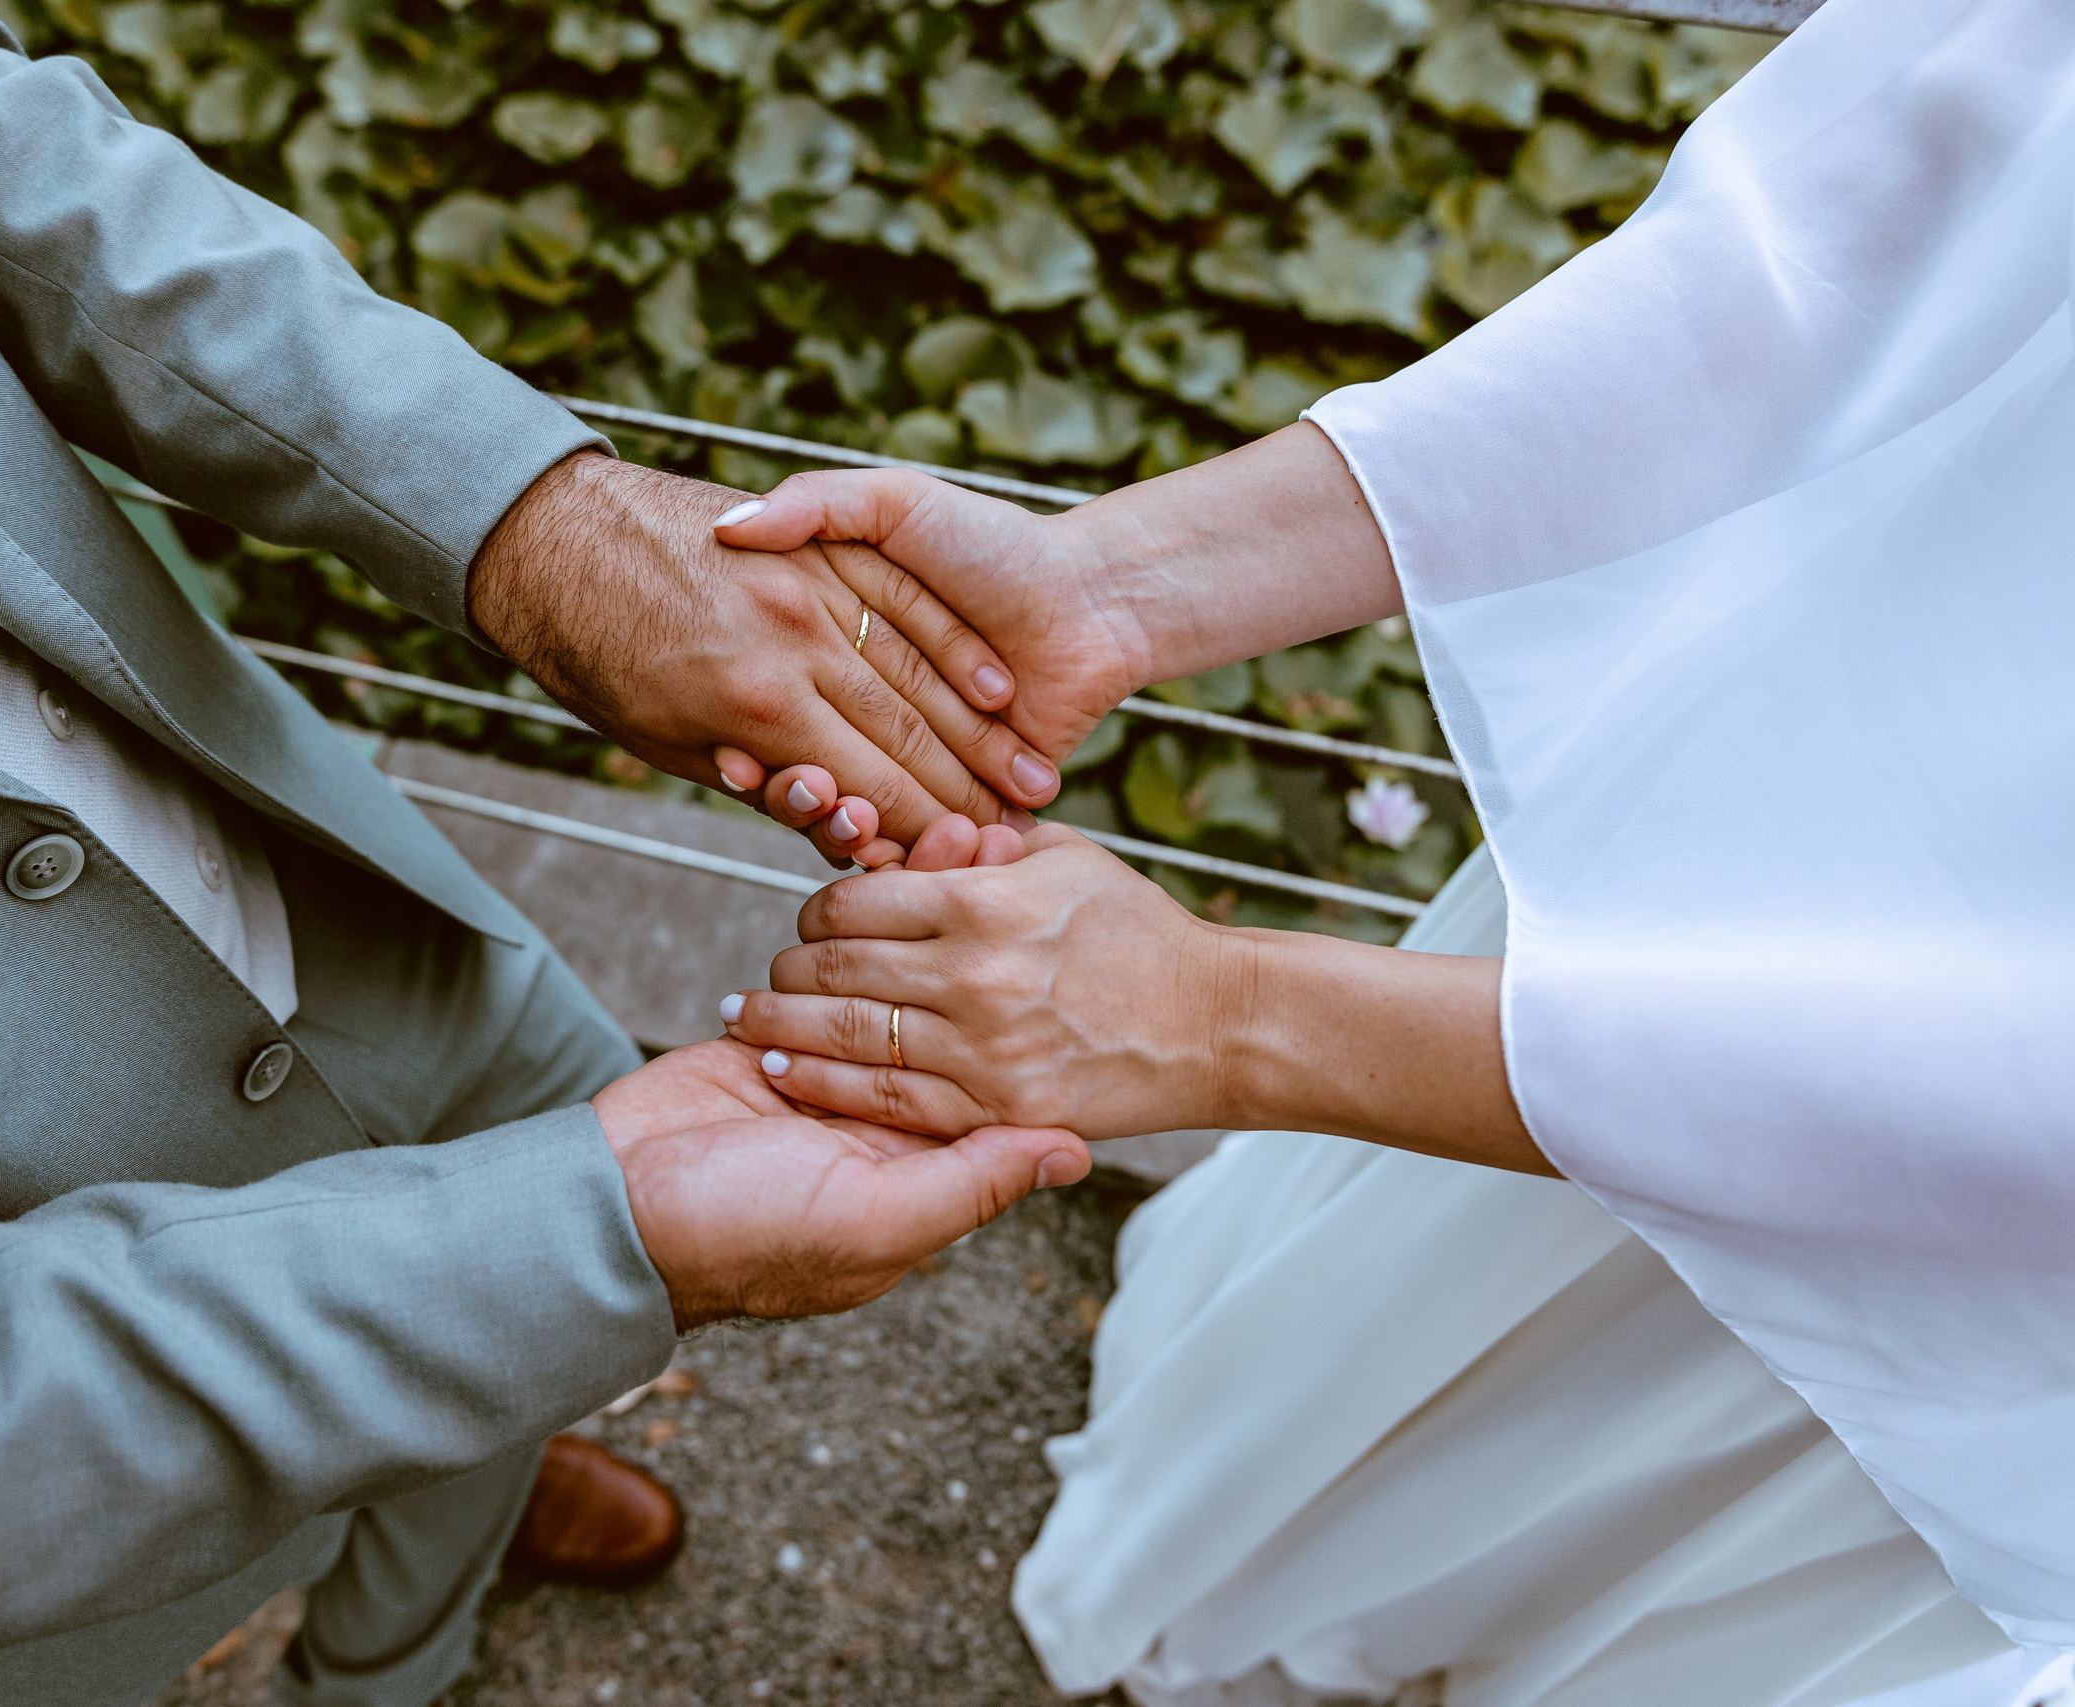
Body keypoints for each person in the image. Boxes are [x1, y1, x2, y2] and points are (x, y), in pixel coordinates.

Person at [0, 2, 1095, 1704]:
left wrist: (529, 524)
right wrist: (505, 1274)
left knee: (529, 1181)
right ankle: (388, 1467)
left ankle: (404, 1633)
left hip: (291, 870)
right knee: (489, 1320)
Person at [711, 0, 2075, 1698]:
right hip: (1780, 819)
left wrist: (1218, 1017)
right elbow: (1910, 199)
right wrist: (1119, 585)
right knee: (1482, 1368)